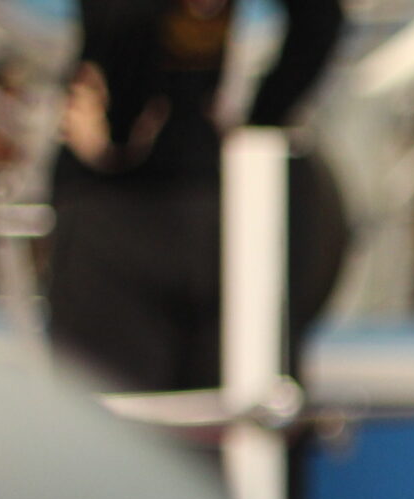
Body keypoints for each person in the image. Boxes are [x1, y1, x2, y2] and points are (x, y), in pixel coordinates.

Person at [48, 0, 345, 395]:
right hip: (208, 194)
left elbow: (122, 44)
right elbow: (319, 21)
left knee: (114, 423)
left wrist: (117, 129)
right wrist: (261, 121)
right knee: (208, 420)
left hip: (134, 205)